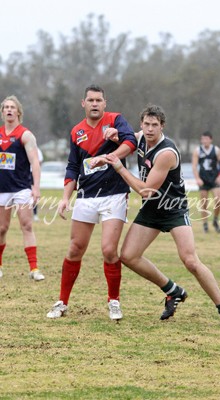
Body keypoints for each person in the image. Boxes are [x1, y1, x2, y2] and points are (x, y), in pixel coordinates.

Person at [106, 104, 220, 327]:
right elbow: (124, 138)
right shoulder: (139, 138)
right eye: (146, 124)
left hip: (173, 208)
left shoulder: (166, 152)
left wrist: (120, 168)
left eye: (154, 125)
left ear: (162, 126)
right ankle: (172, 290)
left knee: (190, 261)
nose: (149, 129)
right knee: (128, 256)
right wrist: (112, 134)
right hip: (151, 209)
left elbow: (146, 190)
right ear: (141, 124)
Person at [47, 84, 137, 321]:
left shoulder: (116, 120)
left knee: (109, 250)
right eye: (91, 100)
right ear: (83, 103)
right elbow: (73, 166)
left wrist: (110, 156)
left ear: (105, 103)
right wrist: (66, 198)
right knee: (75, 249)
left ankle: (114, 301)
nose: (95, 103)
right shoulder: (77, 131)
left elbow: (131, 142)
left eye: (99, 100)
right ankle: (62, 302)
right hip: (86, 196)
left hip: (114, 193)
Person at [0, 95, 45, 281]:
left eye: (13, 107)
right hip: (2, 189)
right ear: (2, 112)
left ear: (18, 112)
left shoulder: (25, 135)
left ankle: (34, 269)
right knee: (2, 228)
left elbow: (35, 162)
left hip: (21, 189)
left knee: (26, 225)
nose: (9, 110)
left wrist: (36, 187)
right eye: (6, 107)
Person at [192, 131, 220, 233]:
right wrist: (197, 178)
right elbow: (194, 166)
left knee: (218, 201)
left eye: (206, 139)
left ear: (210, 139)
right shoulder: (197, 150)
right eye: (202, 139)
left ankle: (215, 220)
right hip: (203, 179)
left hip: (214, 179)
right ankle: (205, 224)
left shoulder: (216, 150)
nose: (204, 141)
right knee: (204, 203)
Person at [32, 147, 44, 221]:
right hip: (22, 174)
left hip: (32, 173)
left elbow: (40, 162)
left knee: (34, 195)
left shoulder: (37, 150)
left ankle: (35, 214)